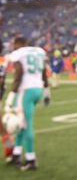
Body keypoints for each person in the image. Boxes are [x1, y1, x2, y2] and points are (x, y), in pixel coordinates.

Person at [4, 36, 51, 171]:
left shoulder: (19, 53)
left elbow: (19, 73)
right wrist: (47, 92)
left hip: (26, 91)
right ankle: (16, 154)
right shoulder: (38, 51)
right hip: (38, 90)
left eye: (14, 45)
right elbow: (43, 72)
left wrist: (11, 97)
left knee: (26, 125)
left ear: (18, 44)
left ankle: (31, 159)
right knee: (22, 123)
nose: (12, 47)